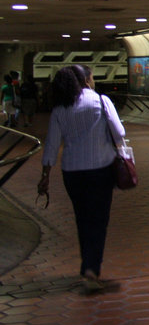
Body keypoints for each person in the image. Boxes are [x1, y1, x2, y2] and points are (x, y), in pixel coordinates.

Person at [37, 65, 127, 294]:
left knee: (83, 217)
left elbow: (51, 145)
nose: (94, 81)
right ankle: (90, 269)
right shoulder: (101, 101)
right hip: (100, 168)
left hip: (72, 171)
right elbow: (119, 132)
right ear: (86, 79)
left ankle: (87, 264)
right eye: (93, 77)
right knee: (98, 220)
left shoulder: (60, 108)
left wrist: (45, 175)